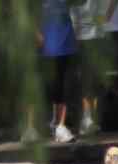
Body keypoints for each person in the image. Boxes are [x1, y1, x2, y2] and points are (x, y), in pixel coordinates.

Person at [39, 0, 78, 143]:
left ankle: (60, 126)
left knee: (64, 81)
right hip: (46, 36)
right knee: (49, 83)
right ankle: (50, 124)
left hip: (65, 34)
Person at [70, 0, 108, 136]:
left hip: (97, 36)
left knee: (96, 79)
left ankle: (92, 119)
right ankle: (86, 119)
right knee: (85, 78)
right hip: (79, 36)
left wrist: (105, 17)